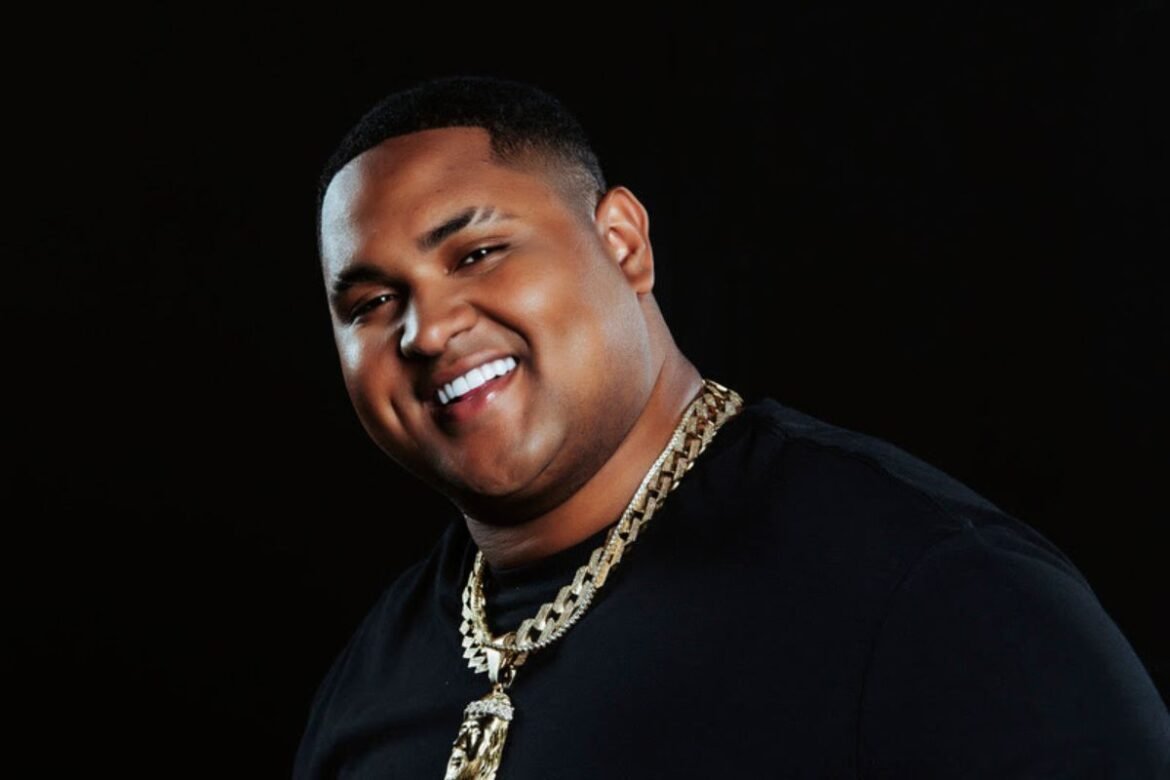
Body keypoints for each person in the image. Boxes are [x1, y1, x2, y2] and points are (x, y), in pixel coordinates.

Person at [294, 74, 1169, 778]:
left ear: (623, 242)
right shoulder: (372, 681)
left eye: (478, 254)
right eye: (373, 303)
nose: (427, 331)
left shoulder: (933, 591)